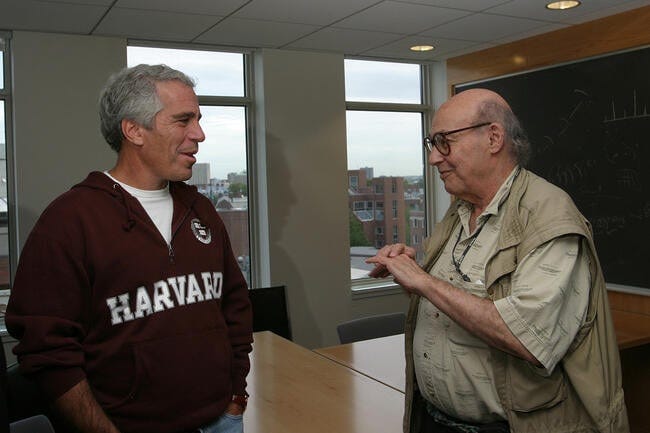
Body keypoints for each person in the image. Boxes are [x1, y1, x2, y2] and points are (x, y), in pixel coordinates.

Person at [5, 64, 253, 433]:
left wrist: (236, 395)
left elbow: (234, 308)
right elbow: (48, 351)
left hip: (222, 421)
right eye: (183, 120)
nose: (199, 134)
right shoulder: (70, 220)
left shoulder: (201, 209)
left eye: (198, 120)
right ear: (134, 130)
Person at [367, 89, 628, 433]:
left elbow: (528, 338)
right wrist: (411, 273)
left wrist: (424, 282)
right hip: (436, 420)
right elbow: (447, 299)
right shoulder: (460, 211)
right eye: (432, 144)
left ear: (493, 138)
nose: (433, 158)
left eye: (444, 142)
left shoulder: (548, 216)